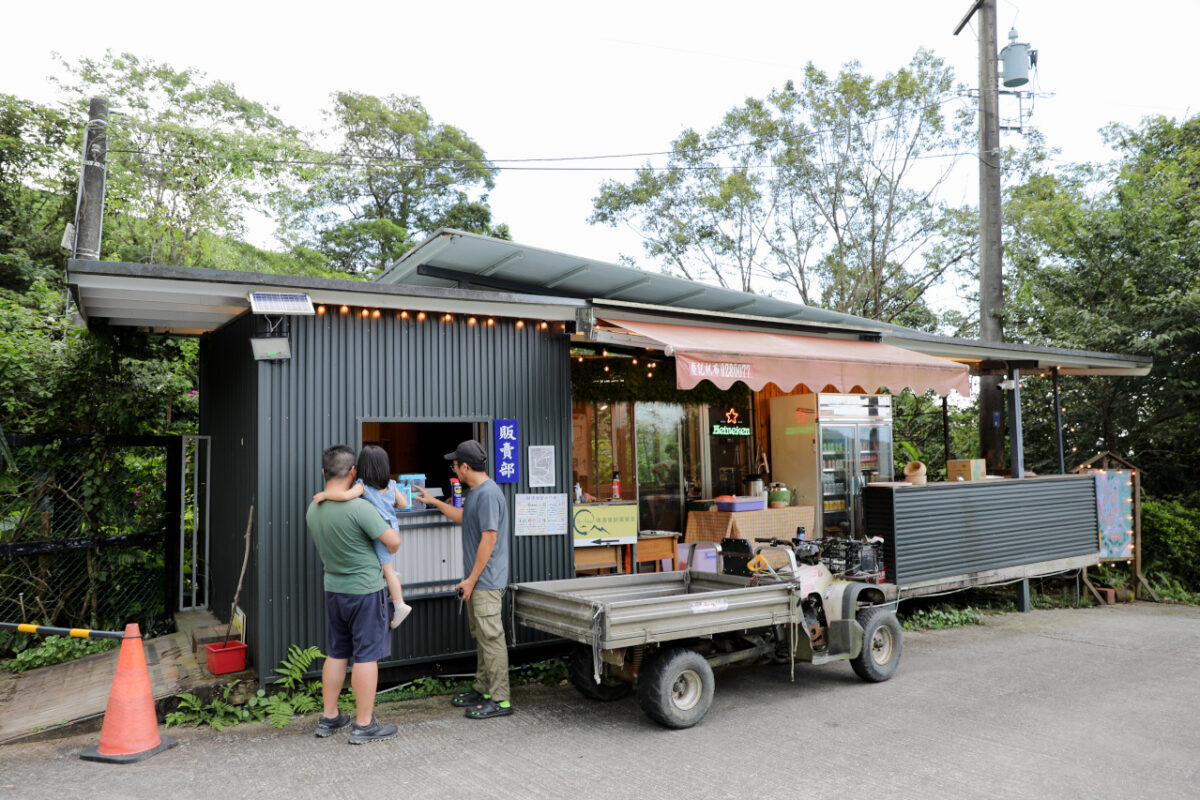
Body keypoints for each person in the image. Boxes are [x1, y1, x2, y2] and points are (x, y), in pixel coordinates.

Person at [306, 444, 401, 743]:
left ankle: (330, 717)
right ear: (353, 472)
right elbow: (393, 543)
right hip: (365, 591)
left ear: (323, 472)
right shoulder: (361, 508)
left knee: (337, 652)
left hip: (334, 589)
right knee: (366, 656)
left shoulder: (314, 507)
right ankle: (363, 724)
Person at [415, 439, 512, 719]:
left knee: (491, 638)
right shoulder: (476, 493)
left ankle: (501, 699)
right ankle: (483, 690)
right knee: (481, 637)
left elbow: (489, 538)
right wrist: (433, 501)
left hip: (486, 581)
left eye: (455, 464)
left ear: (466, 466)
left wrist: (471, 579)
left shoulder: (489, 494)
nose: (454, 468)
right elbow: (462, 517)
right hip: (478, 581)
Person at [314, 445, 413, 629]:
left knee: (388, 570)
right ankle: (391, 580)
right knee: (385, 566)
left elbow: (344, 496)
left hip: (379, 532)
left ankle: (400, 605)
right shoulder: (391, 485)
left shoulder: (363, 486)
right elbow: (404, 503)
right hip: (392, 528)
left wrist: (325, 494)